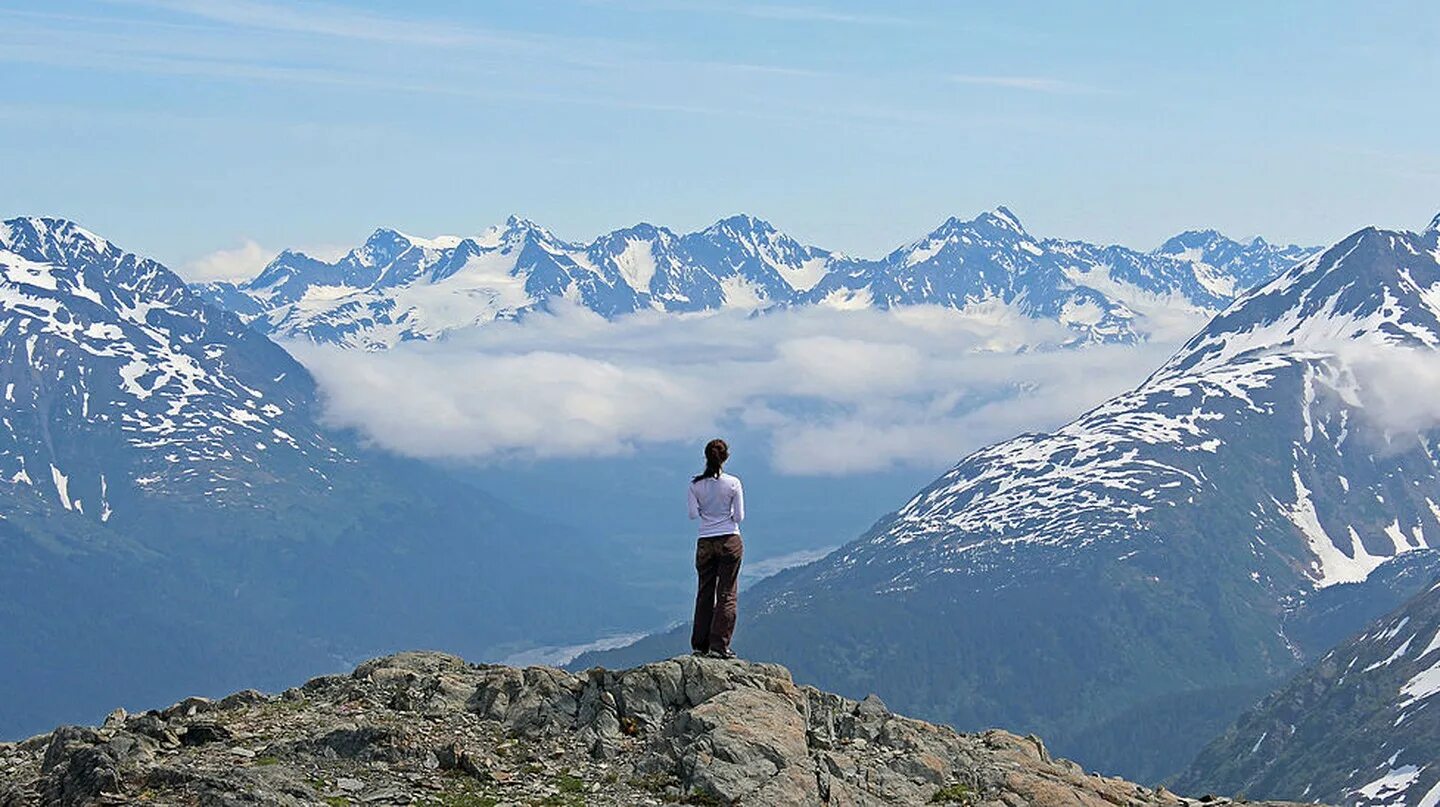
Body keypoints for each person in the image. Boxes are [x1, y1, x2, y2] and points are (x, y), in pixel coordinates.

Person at [687, 438, 745, 659]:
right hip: (729, 539)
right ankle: (719, 645)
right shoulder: (733, 483)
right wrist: (725, 516)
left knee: (705, 592)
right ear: (726, 457)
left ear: (706, 457)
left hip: (705, 540)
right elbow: (739, 516)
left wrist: (706, 513)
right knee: (727, 593)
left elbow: (693, 514)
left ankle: (699, 644)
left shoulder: (695, 484)